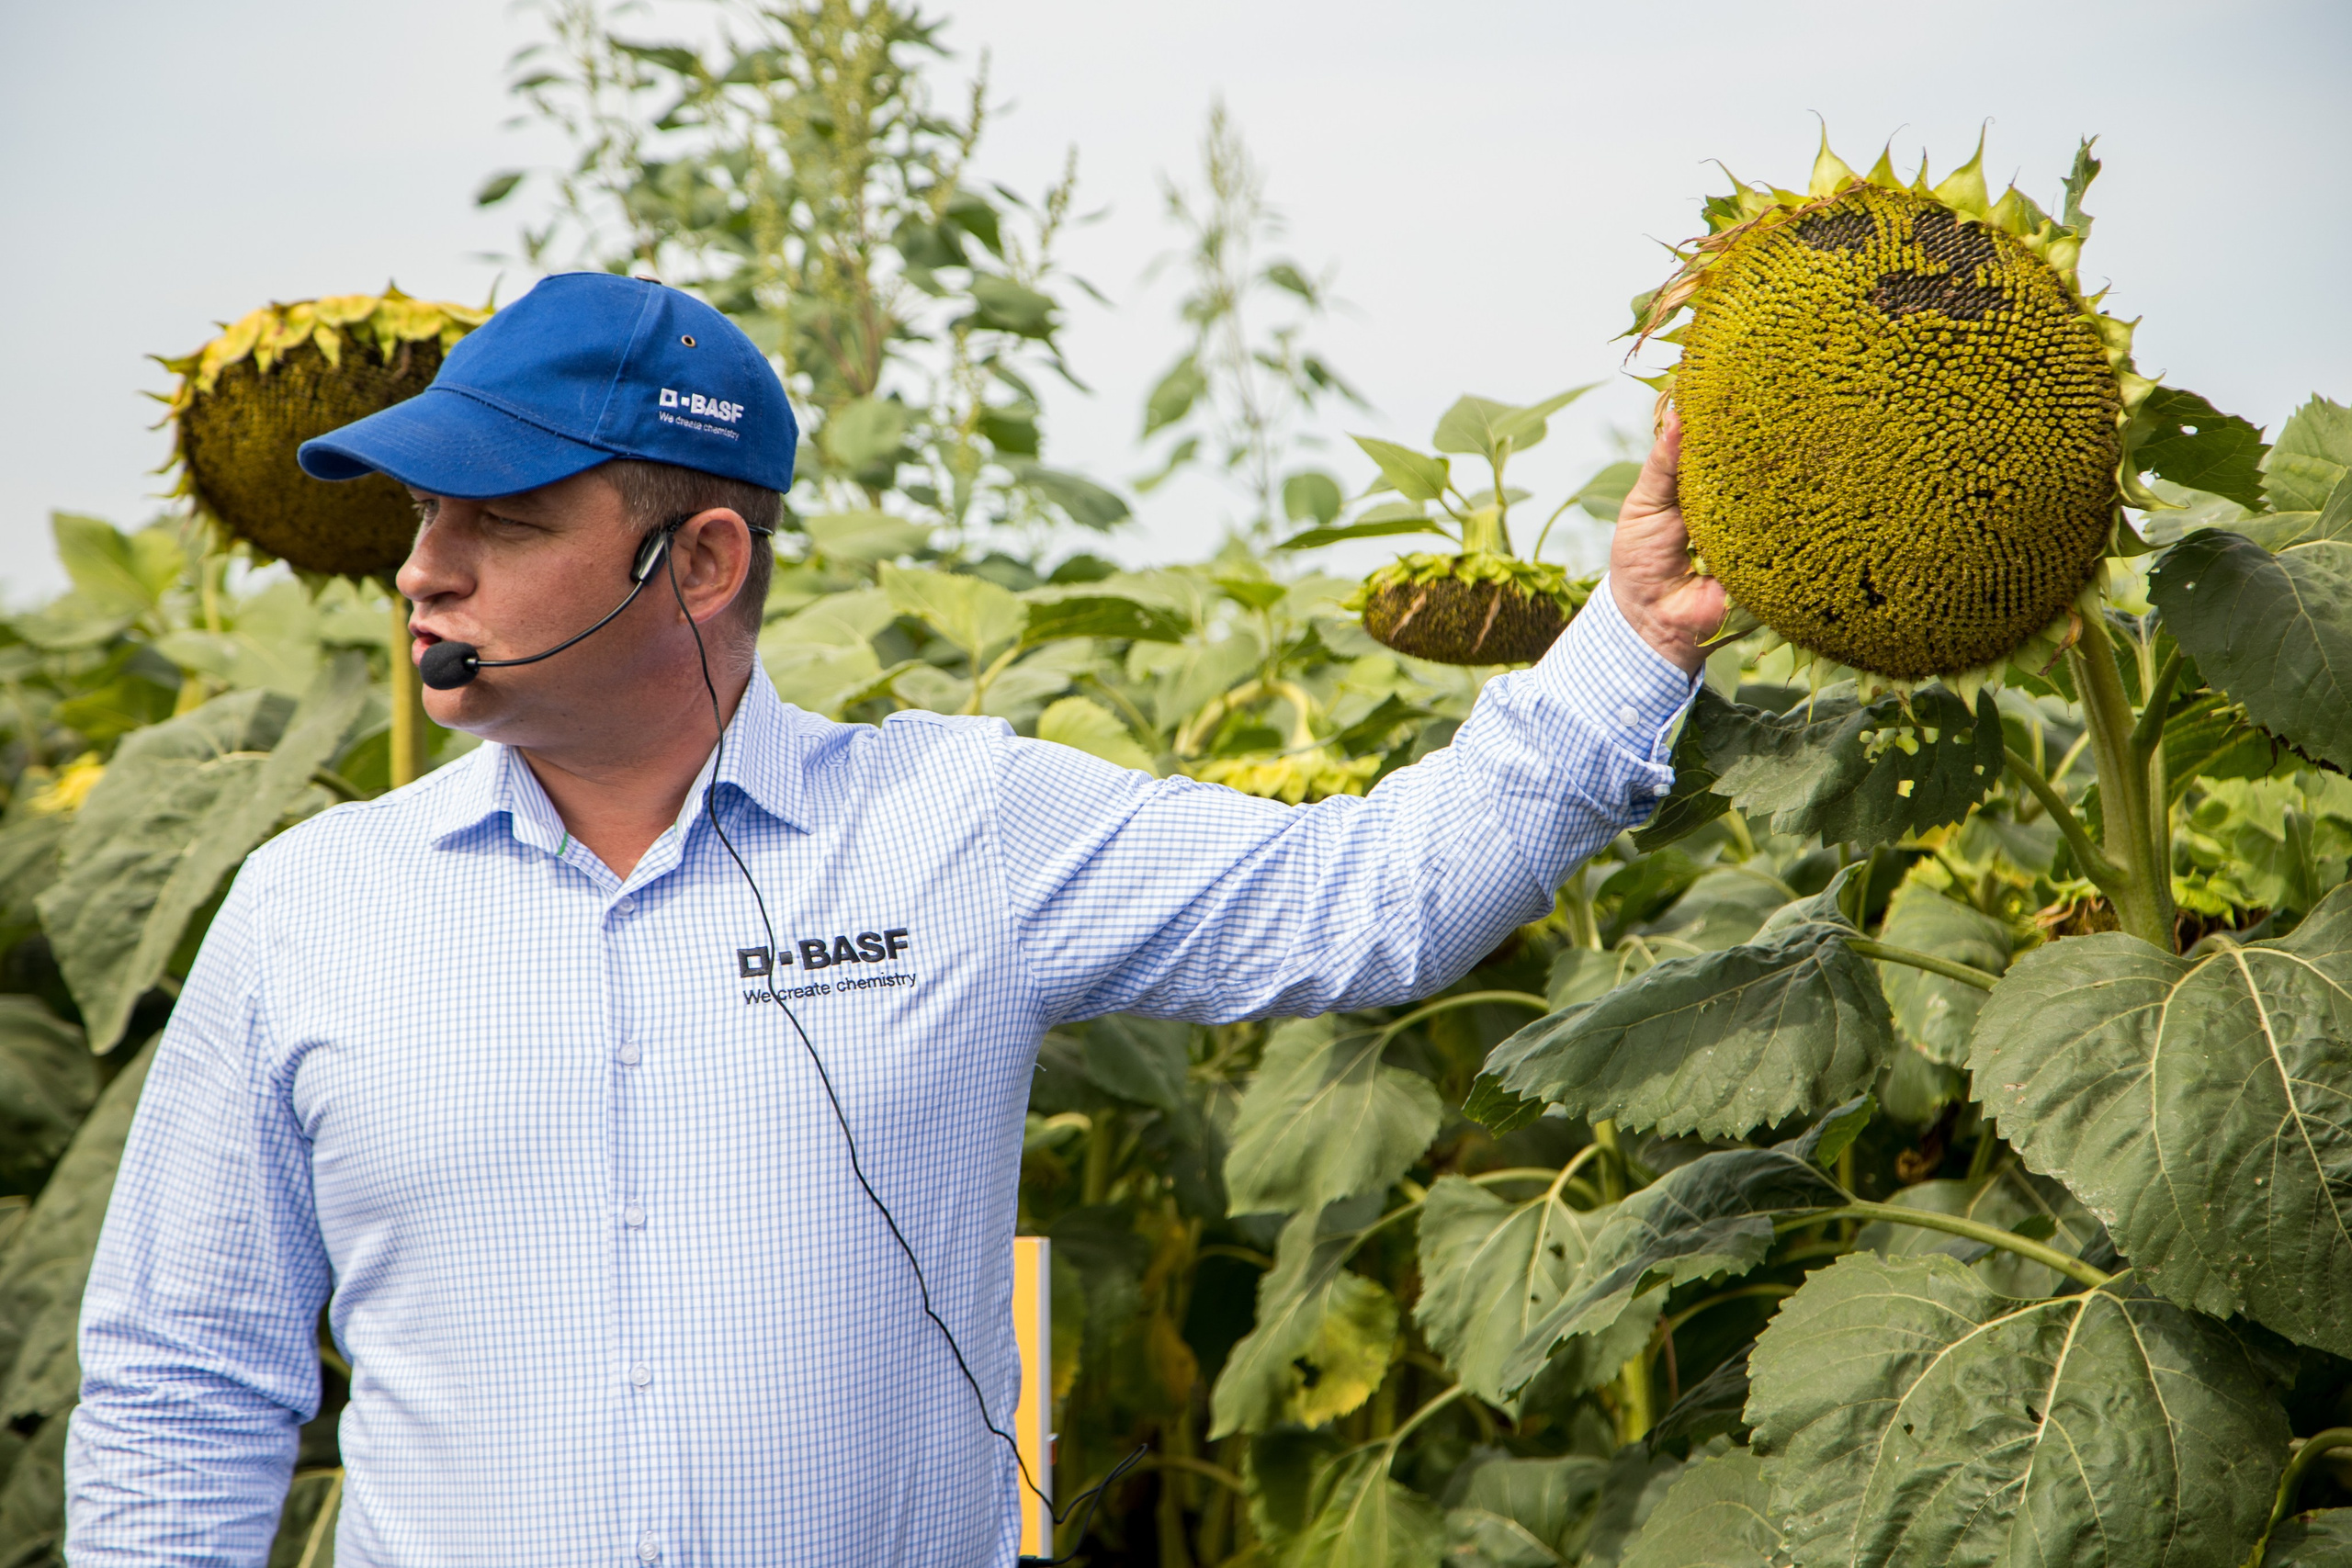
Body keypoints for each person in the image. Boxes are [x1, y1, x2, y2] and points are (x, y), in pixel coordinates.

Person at [65, 272, 1722, 1567]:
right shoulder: (311, 909)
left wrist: (1634, 636)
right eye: (424, 518)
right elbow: (180, 1380)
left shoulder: (955, 830)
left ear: (700, 563)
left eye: (499, 522)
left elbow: (1364, 897)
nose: (424, 572)